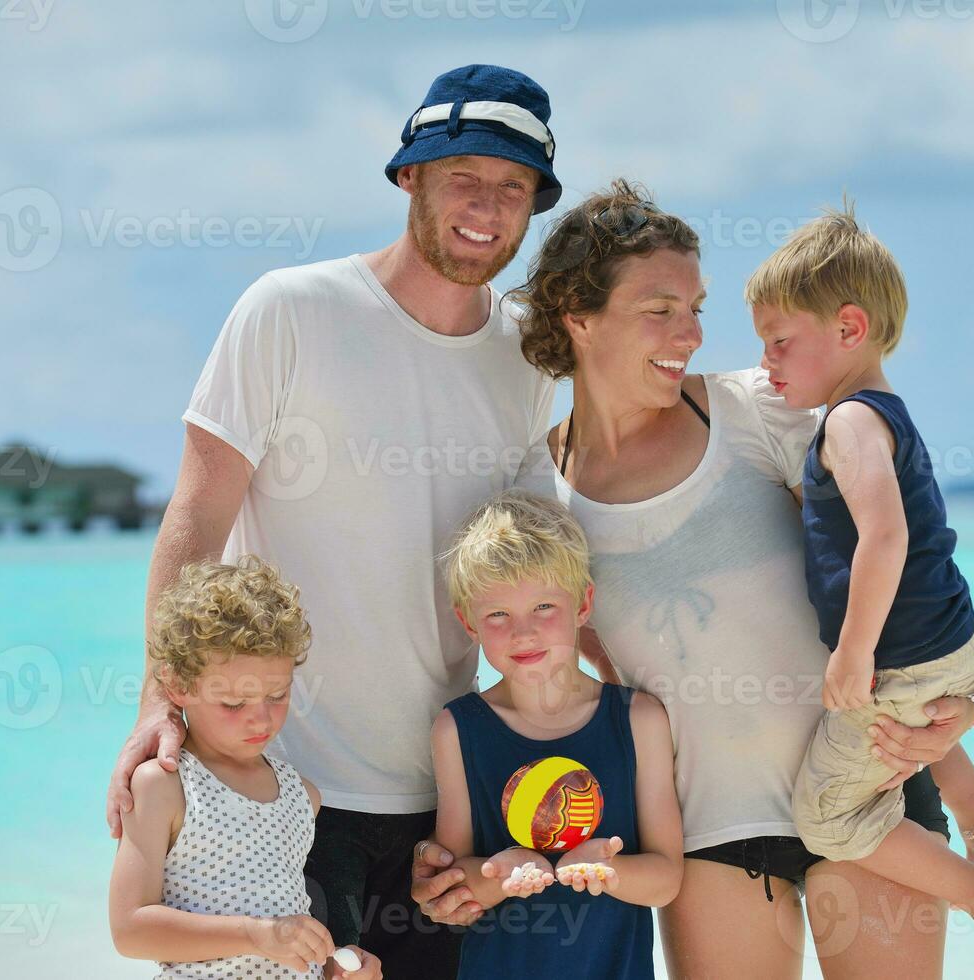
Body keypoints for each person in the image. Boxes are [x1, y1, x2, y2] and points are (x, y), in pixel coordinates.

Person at [412, 180, 974, 979]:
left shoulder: (759, 414)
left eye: (695, 308)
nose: (689, 333)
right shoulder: (539, 495)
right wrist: (469, 843)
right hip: (709, 832)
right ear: (578, 317)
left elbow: (902, 567)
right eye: (659, 310)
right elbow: (575, 689)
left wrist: (950, 717)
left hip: (868, 798)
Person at [106, 64, 561, 978]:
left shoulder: (528, 357)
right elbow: (198, 514)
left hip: (444, 798)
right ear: (409, 177)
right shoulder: (290, 310)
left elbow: (532, 577)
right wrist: (161, 699)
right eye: (463, 178)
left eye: (512, 187)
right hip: (275, 780)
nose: (487, 205)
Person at [747, 204, 974, 977]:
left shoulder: (847, 423)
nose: (765, 360)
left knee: (829, 818)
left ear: (847, 328)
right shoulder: (886, 415)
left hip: (897, 657)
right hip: (949, 645)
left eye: (778, 341)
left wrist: (850, 652)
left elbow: (885, 535)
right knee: (918, 731)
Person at [430, 489, 682, 978]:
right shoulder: (457, 729)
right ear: (468, 622)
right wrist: (502, 872)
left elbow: (666, 878)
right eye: (498, 615)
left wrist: (603, 869)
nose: (522, 633)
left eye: (544, 606)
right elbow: (454, 885)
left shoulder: (639, 720)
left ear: (583, 603)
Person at [109, 555, 381, 979]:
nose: (261, 719)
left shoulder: (301, 796)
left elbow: (284, 932)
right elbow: (130, 930)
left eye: (277, 696)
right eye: (234, 703)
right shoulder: (165, 787)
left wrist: (333, 966)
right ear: (179, 686)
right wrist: (256, 934)